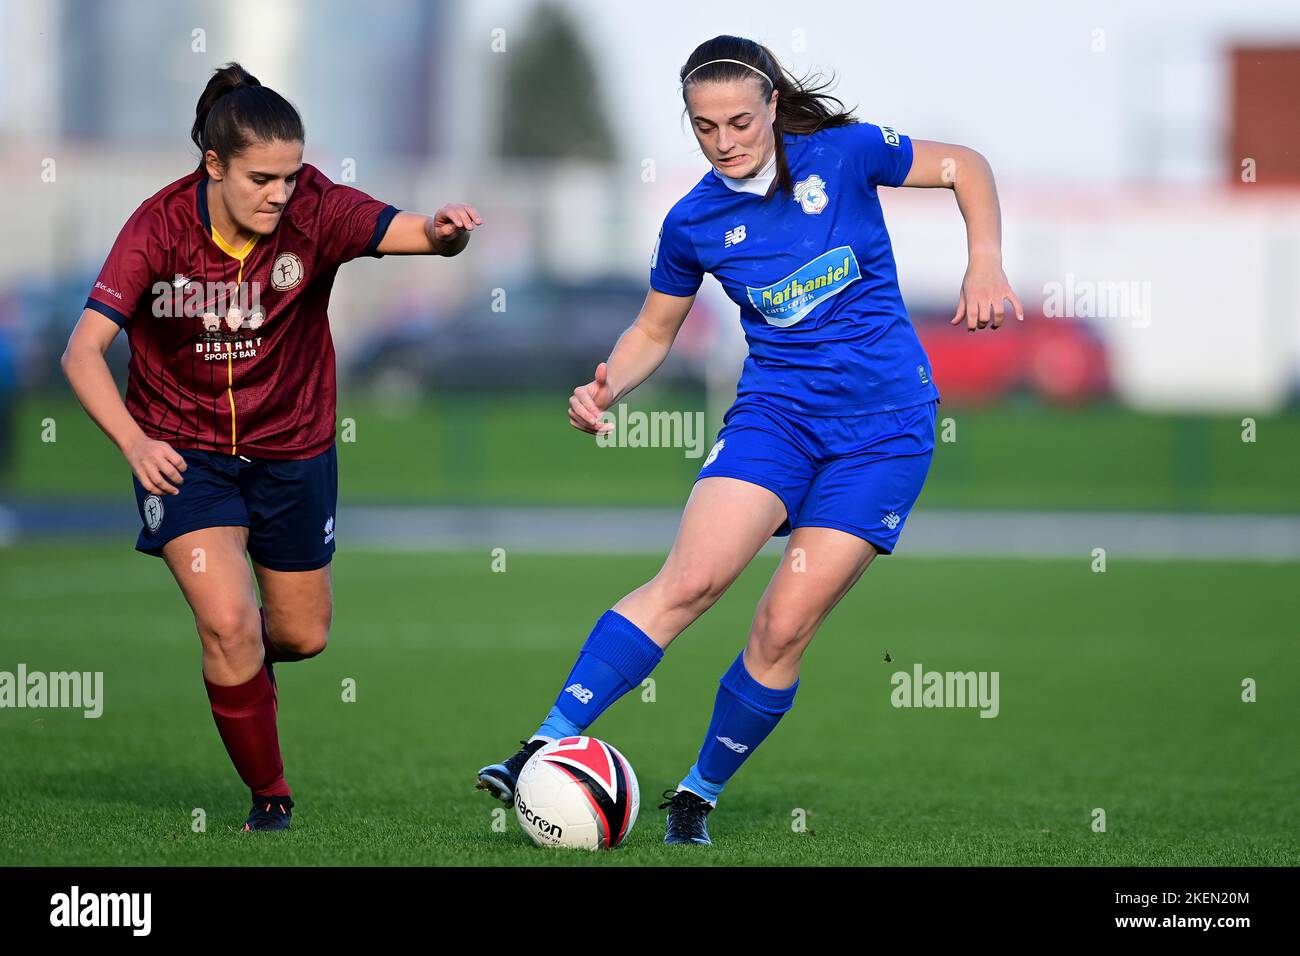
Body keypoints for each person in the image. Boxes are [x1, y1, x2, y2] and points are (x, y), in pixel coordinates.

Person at [477, 34, 1021, 847]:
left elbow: (966, 165)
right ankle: (541, 743)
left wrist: (985, 261)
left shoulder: (845, 155)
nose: (725, 141)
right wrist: (606, 386)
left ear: (772, 106)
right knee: (691, 580)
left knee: (782, 625)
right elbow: (652, 331)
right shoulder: (693, 219)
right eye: (705, 126)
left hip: (885, 435)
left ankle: (696, 793)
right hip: (775, 420)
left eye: (740, 120)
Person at [62, 63, 482, 831]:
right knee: (228, 623)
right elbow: (81, 353)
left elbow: (410, 232)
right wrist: (133, 441)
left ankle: (243, 664)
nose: (280, 194)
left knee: (300, 635)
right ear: (214, 165)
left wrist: (446, 236)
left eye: (290, 176)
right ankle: (271, 797)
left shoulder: (316, 205)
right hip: (181, 453)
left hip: (294, 448)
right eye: (262, 178)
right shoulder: (156, 226)